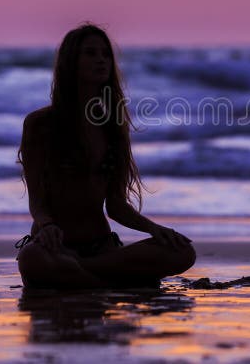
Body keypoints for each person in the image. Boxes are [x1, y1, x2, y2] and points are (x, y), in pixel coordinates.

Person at [15, 23, 196, 288]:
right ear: (70, 62)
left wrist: (155, 229)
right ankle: (105, 279)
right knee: (31, 259)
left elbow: (116, 206)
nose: (101, 60)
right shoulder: (40, 124)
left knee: (182, 251)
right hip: (54, 247)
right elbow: (37, 203)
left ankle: (84, 275)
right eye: (90, 53)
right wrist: (47, 225)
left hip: (103, 249)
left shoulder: (112, 127)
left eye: (105, 54)